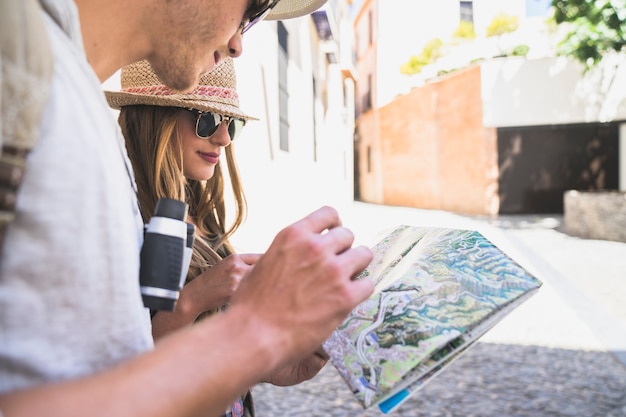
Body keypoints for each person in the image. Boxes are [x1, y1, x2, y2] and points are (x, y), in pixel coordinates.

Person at [0, 0, 374, 416]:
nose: (238, 43)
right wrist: (252, 333)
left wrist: (255, 358)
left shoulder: (87, 121)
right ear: (155, 120)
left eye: (231, 123)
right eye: (252, 7)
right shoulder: (20, 63)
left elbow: (123, 363)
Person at [107, 57, 324, 416]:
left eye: (231, 123)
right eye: (204, 119)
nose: (223, 138)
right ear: (154, 117)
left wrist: (266, 362)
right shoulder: (118, 216)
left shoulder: (201, 214)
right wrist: (192, 301)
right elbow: (113, 378)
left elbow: (198, 360)